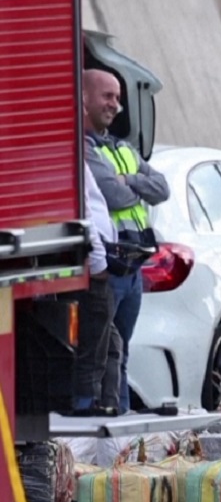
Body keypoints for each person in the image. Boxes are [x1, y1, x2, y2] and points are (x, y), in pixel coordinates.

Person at [83, 69, 170, 414]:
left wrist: (128, 179)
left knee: (120, 352)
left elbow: (162, 188)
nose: (115, 105)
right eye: (107, 96)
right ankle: (104, 421)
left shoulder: (123, 149)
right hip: (110, 263)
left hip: (134, 267)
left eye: (118, 98)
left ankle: (118, 423)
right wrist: (134, 188)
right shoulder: (83, 149)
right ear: (84, 98)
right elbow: (114, 197)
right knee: (102, 351)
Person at [71, 162, 122, 413]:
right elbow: (83, 212)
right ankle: (85, 410)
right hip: (91, 269)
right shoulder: (73, 152)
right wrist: (98, 261)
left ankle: (105, 409)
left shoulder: (79, 153)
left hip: (92, 267)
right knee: (92, 355)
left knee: (111, 345)